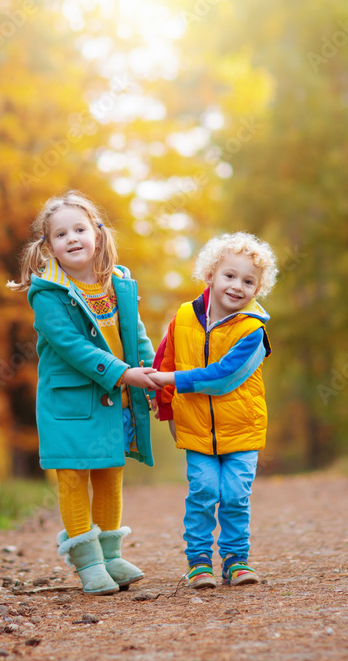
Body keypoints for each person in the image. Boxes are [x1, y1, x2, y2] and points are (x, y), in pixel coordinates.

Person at [8, 190, 159, 595]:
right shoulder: (47, 292)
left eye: (79, 229)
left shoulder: (120, 283)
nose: (72, 238)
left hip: (116, 396)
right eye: (61, 234)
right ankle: (88, 563)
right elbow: (73, 347)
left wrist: (152, 374)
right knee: (74, 475)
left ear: (97, 233)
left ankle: (111, 555)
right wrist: (124, 374)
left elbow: (135, 336)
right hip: (70, 401)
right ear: (48, 246)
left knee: (110, 472)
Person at [150, 232, 277, 589]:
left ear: (257, 289)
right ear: (210, 276)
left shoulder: (253, 331)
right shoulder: (184, 318)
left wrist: (170, 377)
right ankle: (199, 562)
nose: (237, 286)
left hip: (242, 429)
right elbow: (165, 362)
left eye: (248, 281)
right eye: (230, 276)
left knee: (235, 494)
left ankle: (237, 560)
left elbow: (222, 378)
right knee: (203, 491)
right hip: (195, 427)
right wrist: (168, 412)